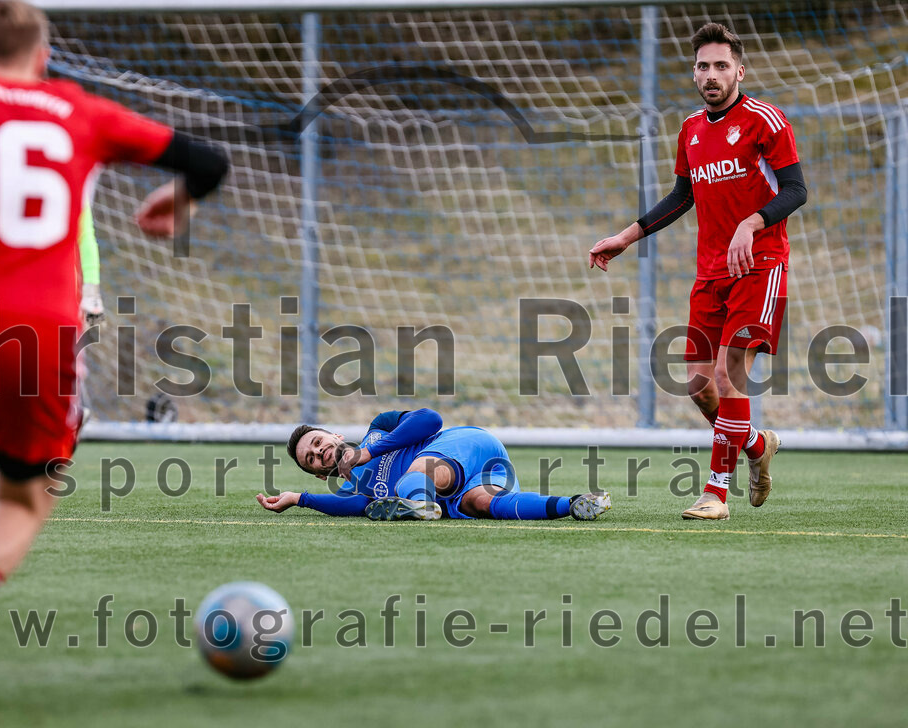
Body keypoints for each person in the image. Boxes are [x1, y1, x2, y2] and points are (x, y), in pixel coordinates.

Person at [0, 1, 228, 703]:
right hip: (36, 333)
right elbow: (208, 160)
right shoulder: (79, 112)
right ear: (43, 57)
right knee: (22, 502)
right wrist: (177, 200)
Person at [588, 23, 807, 520]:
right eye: (704, 66)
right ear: (694, 73)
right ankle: (755, 445)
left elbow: (796, 189)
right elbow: (683, 196)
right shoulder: (690, 129)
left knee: (731, 378)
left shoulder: (765, 120)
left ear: (740, 71)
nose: (712, 75)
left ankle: (716, 493)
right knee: (698, 386)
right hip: (710, 273)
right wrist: (627, 235)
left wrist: (752, 223)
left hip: (760, 266)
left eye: (722, 66)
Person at [0, 202, 104, 525]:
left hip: (49, 293)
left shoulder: (58, 165)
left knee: (31, 392)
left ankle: (63, 418)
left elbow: (85, 233)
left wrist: (91, 289)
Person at [258, 408, 612, 522]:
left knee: (417, 472)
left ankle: (418, 504)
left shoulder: (378, 429)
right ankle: (576, 504)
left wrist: (370, 451)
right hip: (481, 477)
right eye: (312, 459)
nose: (319, 452)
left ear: (334, 434)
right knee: (482, 504)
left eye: (318, 443)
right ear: (321, 473)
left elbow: (431, 419)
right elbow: (355, 505)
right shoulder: (356, 490)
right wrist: (298, 498)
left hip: (467, 446)